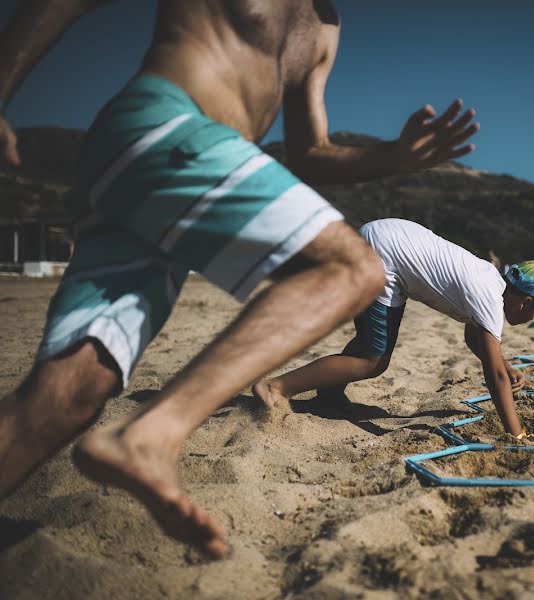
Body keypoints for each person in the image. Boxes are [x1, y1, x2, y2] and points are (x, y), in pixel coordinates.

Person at [0, 0, 479, 558]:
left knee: (69, 395)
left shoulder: (326, 28)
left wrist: (394, 156)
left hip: (174, 181)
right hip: (168, 125)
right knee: (350, 269)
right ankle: (151, 435)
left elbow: (310, 152)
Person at [253, 219, 534, 438]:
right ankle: (276, 388)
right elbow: (493, 378)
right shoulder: (489, 297)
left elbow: (474, 339)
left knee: (369, 344)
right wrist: (517, 434)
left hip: (387, 241)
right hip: (383, 254)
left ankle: (329, 395)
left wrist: (505, 367)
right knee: (373, 361)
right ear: (524, 300)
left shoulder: (491, 284)